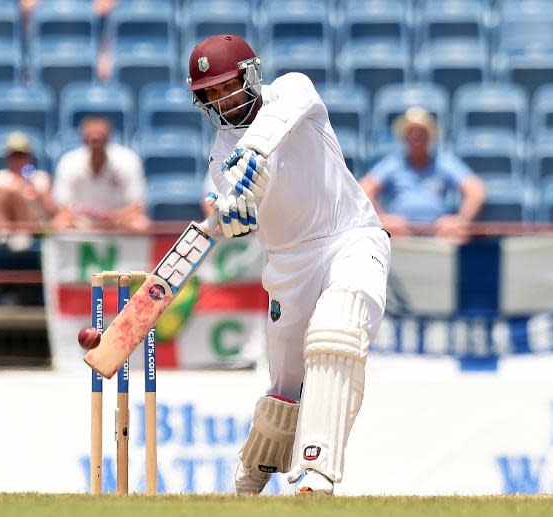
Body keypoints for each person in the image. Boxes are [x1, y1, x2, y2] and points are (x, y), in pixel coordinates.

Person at [187, 34, 391, 495]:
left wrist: (252, 157)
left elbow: (275, 125)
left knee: (335, 335)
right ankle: (251, 476)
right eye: (212, 93)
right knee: (286, 387)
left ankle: (315, 474)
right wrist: (234, 214)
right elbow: (239, 209)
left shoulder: (293, 89)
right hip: (287, 264)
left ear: (251, 75)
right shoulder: (221, 159)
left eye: (228, 85)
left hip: (351, 238)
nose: (223, 99)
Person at [359, 107, 486, 243]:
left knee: (457, 234)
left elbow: (476, 190)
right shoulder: (393, 163)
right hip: (399, 233)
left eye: (421, 132)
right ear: (404, 136)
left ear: (429, 136)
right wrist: (382, 219)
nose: (416, 136)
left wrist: (460, 220)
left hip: (439, 233)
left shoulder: (444, 162)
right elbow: (365, 189)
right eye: (411, 132)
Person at [53, 116, 150, 233]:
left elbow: (137, 206)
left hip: (118, 221)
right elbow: (61, 206)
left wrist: (113, 217)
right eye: (92, 139)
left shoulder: (128, 160)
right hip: (81, 221)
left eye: (100, 139)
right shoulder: (68, 162)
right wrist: (83, 211)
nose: (96, 143)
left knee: (141, 224)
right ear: (83, 139)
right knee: (59, 224)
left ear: (109, 138)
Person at [0, 131, 57, 252]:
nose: (18, 159)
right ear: (7, 157)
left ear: (30, 156)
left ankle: (21, 233)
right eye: (14, 155)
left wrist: (34, 193)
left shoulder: (40, 178)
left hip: (33, 229)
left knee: (19, 191)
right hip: (1, 228)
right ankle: (3, 232)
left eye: (22, 155)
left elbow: (52, 211)